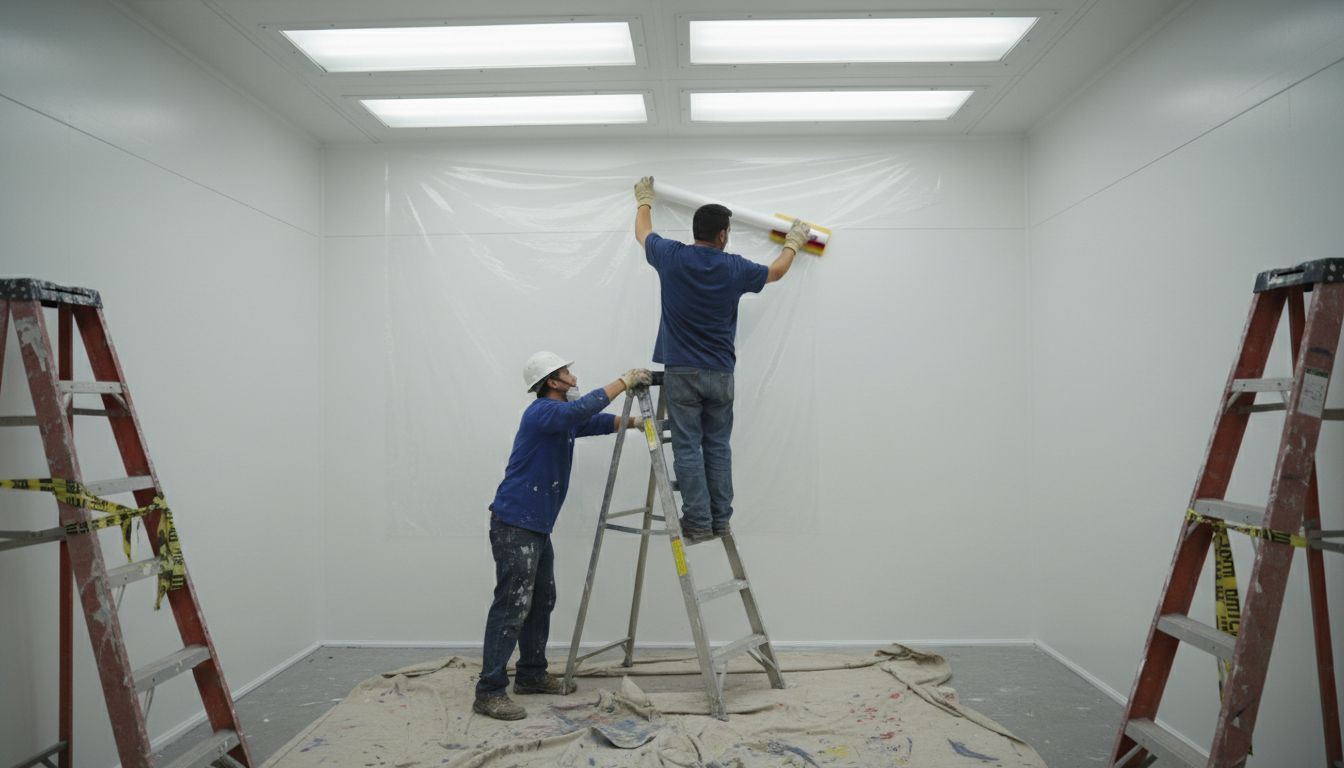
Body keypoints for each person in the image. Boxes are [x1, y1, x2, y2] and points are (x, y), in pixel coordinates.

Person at [632, 176, 811, 544]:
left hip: (682, 371)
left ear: (696, 231)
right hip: (720, 373)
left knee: (687, 446)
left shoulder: (672, 256)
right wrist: (793, 242)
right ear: (723, 235)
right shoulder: (733, 267)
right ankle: (720, 520)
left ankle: (697, 521)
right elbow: (775, 272)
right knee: (717, 446)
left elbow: (643, 233)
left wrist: (644, 200)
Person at [473, 352, 651, 721]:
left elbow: (595, 421)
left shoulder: (559, 421)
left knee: (541, 600)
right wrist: (624, 380)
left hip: (534, 525)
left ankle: (532, 674)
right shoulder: (542, 414)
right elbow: (577, 412)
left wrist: (636, 422)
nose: (573, 376)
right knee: (513, 605)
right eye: (566, 372)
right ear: (552, 382)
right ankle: (488, 691)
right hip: (515, 523)